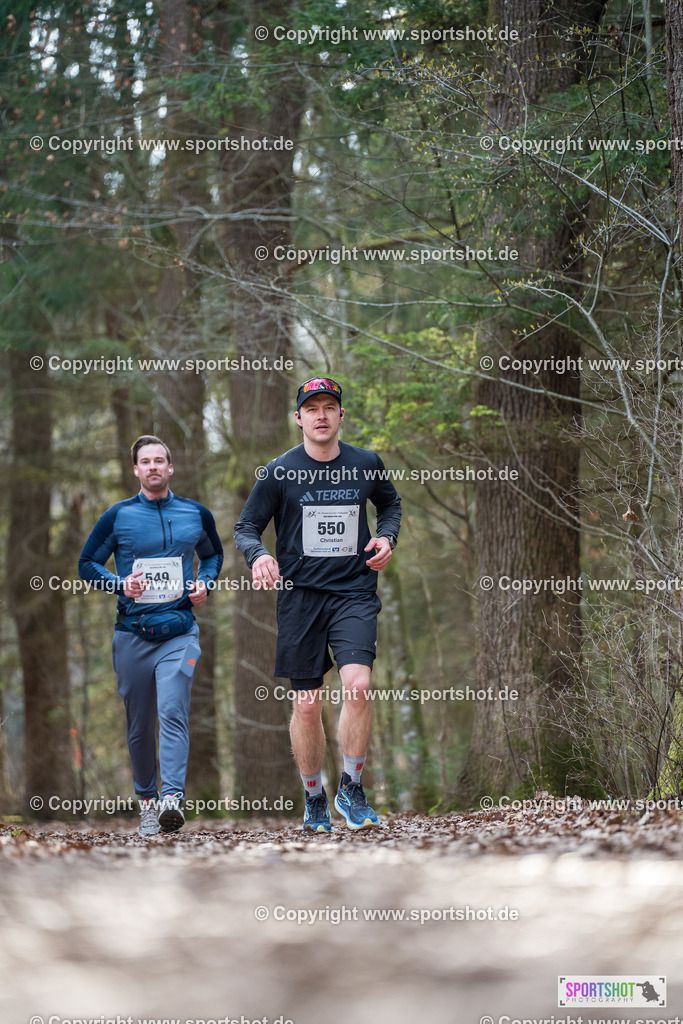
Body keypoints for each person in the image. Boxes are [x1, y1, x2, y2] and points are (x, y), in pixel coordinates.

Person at [234, 377, 401, 833]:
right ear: (299, 418)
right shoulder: (279, 471)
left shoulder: (366, 463)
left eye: (330, 407)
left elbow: (390, 505)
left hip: (353, 591)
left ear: (341, 415)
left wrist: (386, 537)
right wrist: (260, 554)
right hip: (301, 598)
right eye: (312, 409)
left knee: (359, 685)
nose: (322, 415)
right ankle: (313, 798)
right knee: (307, 705)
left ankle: (352, 786)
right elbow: (246, 525)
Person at [78, 435, 223, 836]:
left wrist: (205, 582)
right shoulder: (118, 516)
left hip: (180, 632)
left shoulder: (196, 513)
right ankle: (147, 802)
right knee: (139, 724)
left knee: (173, 710)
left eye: (161, 460)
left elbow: (212, 554)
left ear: (171, 468)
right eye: (146, 461)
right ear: (136, 470)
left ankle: (171, 799)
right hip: (132, 635)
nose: (154, 466)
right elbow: (87, 563)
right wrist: (120, 585)